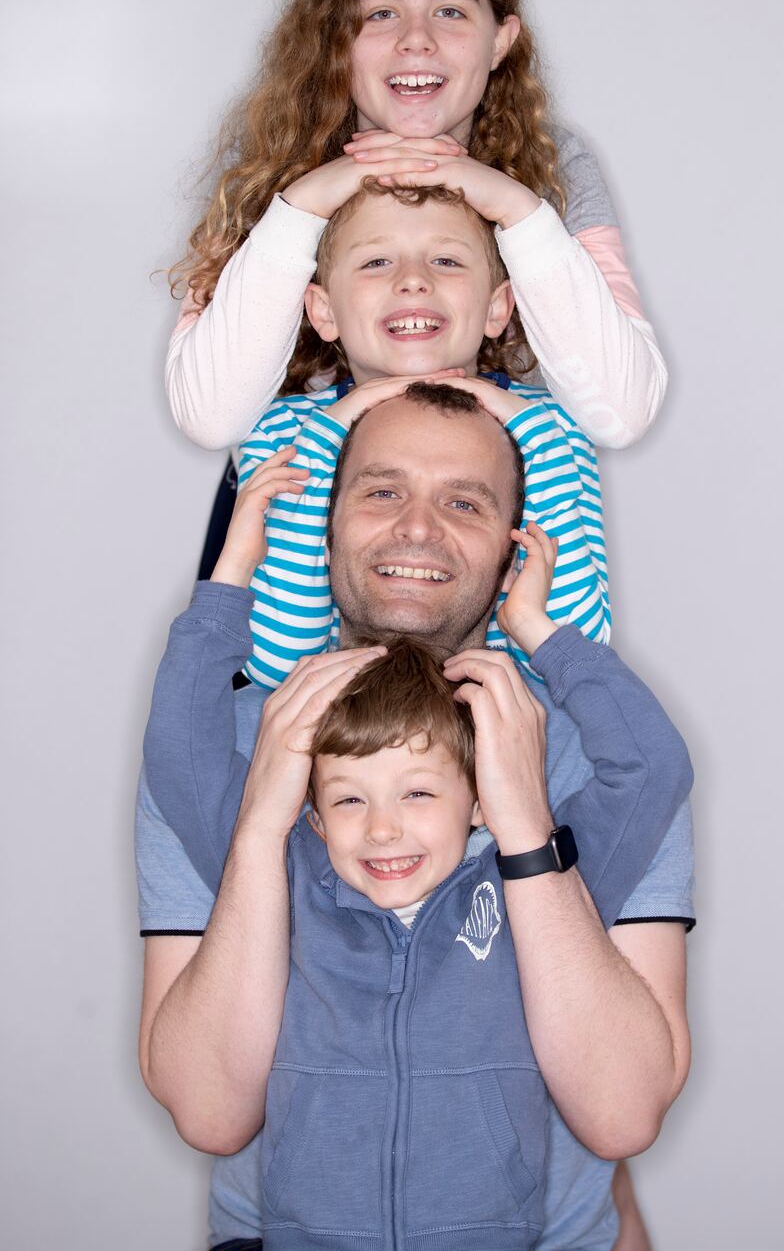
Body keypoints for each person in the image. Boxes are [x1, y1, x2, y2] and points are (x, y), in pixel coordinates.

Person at [138, 384, 695, 1250]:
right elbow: (210, 1113)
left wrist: (523, 810)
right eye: (381, 489)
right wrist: (261, 816)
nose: (418, 529)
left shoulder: (570, 744)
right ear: (323, 526)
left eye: (464, 501)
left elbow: (654, 772)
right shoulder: (248, 758)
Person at [165, 0, 667, 462]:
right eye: (380, 12)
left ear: (500, 40)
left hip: (476, 493)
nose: (416, 38)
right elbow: (211, 418)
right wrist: (304, 205)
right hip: (296, 511)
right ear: (336, 40)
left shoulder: (557, 166)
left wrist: (517, 209)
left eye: (450, 10)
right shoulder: (269, 163)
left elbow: (621, 415)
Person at [235, 180, 610, 690]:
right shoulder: (284, 430)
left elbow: (576, 647)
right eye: (376, 262)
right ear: (323, 311)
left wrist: (532, 434)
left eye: (447, 262)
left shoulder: (553, 427)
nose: (413, 281)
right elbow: (277, 660)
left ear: (498, 308)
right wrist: (329, 434)